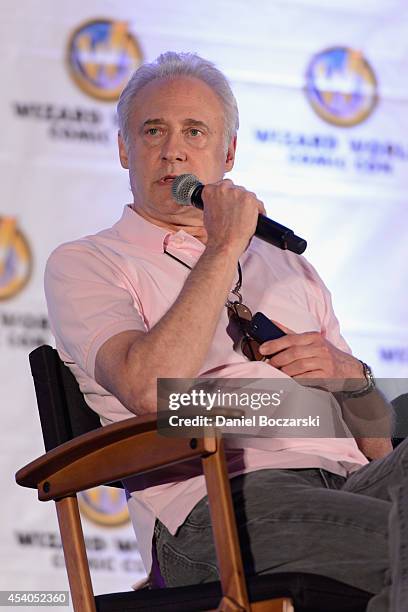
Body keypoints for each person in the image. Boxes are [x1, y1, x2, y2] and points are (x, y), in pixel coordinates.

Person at [44, 51, 407, 611]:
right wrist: (222, 247)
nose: (173, 150)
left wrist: (354, 381)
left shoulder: (290, 266)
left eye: (195, 131)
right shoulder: (89, 262)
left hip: (353, 481)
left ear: (228, 153)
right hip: (224, 502)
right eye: (153, 130)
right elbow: (147, 391)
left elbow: (377, 446)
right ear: (123, 149)